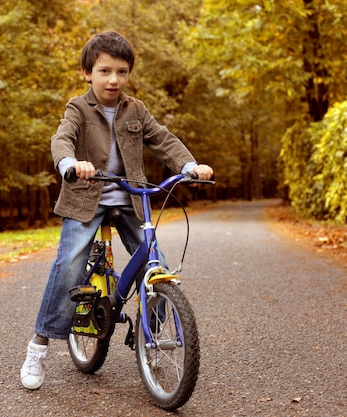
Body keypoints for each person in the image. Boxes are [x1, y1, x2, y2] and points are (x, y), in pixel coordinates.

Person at [20, 30, 214, 390]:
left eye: (121, 72)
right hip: (85, 199)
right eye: (105, 71)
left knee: (156, 261)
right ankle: (40, 345)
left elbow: (163, 139)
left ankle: (150, 337)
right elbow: (61, 138)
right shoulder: (78, 107)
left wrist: (189, 165)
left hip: (129, 198)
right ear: (87, 73)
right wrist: (70, 162)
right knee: (69, 266)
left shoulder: (135, 109)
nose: (113, 79)